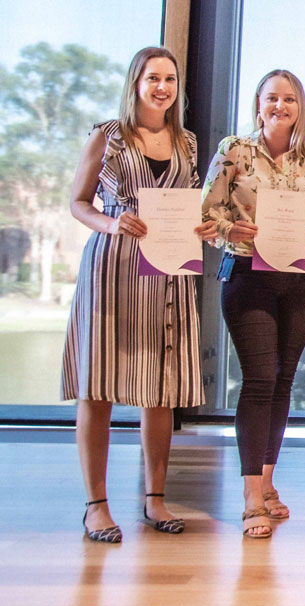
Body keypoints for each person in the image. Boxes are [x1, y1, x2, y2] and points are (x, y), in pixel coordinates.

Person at [64, 47, 215, 543]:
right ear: (136, 83)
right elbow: (78, 203)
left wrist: (202, 226)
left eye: (170, 79)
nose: (162, 87)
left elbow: (189, 201)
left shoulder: (188, 142)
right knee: (100, 384)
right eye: (153, 78)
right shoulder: (106, 136)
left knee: (161, 384)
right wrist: (112, 222)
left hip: (168, 270)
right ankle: (95, 504)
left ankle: (154, 498)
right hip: (113, 267)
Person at [201, 70, 305, 538]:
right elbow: (207, 213)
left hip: (301, 277)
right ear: (258, 105)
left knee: (283, 380)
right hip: (247, 276)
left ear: (300, 106)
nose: (280, 106)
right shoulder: (234, 151)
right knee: (259, 380)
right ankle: (250, 497)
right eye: (272, 98)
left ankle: (268, 481)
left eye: (289, 99)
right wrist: (229, 229)